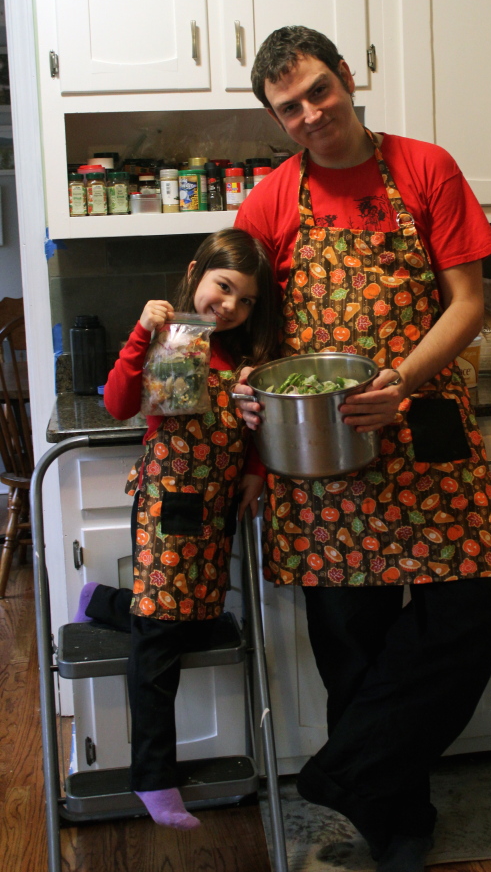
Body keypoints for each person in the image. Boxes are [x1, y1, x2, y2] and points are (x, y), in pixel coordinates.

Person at [234, 26, 491, 871]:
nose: (312, 113)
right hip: (319, 453)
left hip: (423, 428)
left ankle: (342, 771)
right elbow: (242, 323)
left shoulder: (425, 167)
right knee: (349, 638)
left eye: (320, 90)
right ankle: (397, 820)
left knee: (467, 613)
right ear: (276, 118)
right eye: (290, 107)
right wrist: (243, 391)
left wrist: (403, 379)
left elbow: (470, 301)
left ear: (347, 77)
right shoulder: (270, 203)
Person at [72, 229, 278, 830]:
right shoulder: (169, 339)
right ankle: (154, 780)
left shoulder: (244, 358)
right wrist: (140, 334)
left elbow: (254, 430)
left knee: (195, 621)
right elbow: (116, 404)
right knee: (159, 646)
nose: (231, 307)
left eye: (244, 300)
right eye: (223, 288)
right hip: (165, 507)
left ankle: (105, 603)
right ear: (196, 274)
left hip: (214, 509)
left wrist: (257, 471)